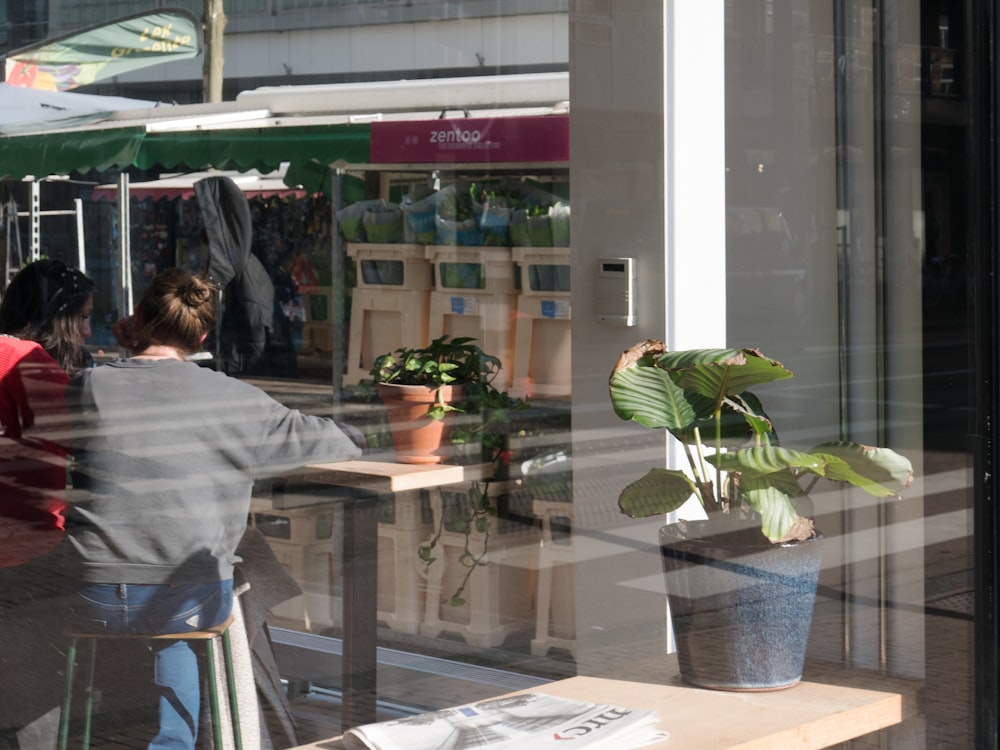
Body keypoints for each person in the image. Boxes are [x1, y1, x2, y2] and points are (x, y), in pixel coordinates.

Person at [63, 268, 362, 750]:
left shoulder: (88, 386)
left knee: (164, 603)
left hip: (93, 593)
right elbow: (325, 441)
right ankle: (184, 739)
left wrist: (131, 345)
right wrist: (360, 432)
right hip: (184, 599)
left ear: (136, 319)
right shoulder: (234, 398)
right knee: (196, 602)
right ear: (203, 335)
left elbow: (123, 409)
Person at [0, 258, 94, 745]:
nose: (87, 328)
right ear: (56, 315)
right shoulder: (25, 359)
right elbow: (88, 436)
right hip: (25, 548)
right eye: (82, 317)